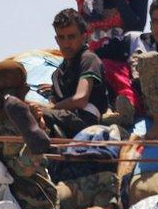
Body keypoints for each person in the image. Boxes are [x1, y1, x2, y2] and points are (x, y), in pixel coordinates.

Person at [0, 59, 60, 209]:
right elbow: (24, 168)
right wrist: (39, 127)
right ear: (21, 88)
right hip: (30, 203)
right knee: (105, 181)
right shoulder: (9, 123)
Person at [32, 9, 109, 139]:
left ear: (84, 37)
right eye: (62, 38)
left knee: (31, 113)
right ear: (56, 40)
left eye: (72, 37)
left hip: (85, 123)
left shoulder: (88, 59)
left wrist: (51, 108)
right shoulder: (57, 74)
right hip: (62, 121)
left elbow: (80, 99)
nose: (66, 43)